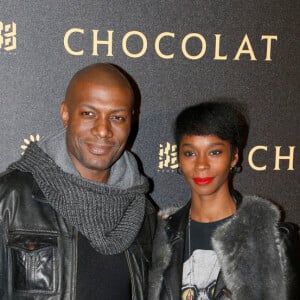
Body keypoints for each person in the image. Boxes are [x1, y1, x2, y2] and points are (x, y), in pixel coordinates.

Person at [0, 63, 156, 299]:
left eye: (117, 117)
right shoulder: (9, 199)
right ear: (65, 114)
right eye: (89, 113)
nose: (103, 130)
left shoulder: (142, 213)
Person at [148, 101, 299, 300]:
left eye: (215, 152)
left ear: (234, 156)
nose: (201, 165)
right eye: (190, 153)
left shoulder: (270, 241)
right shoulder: (161, 236)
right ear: (178, 158)